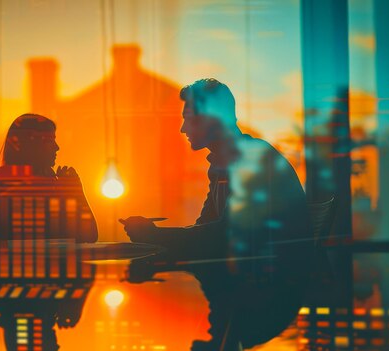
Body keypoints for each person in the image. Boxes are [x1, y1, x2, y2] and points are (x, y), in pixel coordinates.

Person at [120, 78, 312, 350]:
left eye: (188, 118)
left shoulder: (252, 161)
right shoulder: (226, 164)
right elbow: (207, 227)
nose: (182, 128)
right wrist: (158, 237)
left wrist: (157, 236)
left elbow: (224, 235)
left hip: (266, 295)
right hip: (251, 287)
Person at [0, 113, 98, 243]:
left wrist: (76, 192)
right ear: (30, 144)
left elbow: (90, 236)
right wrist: (72, 194)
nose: (57, 147)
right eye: (49, 141)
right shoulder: (4, 178)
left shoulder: (50, 180)